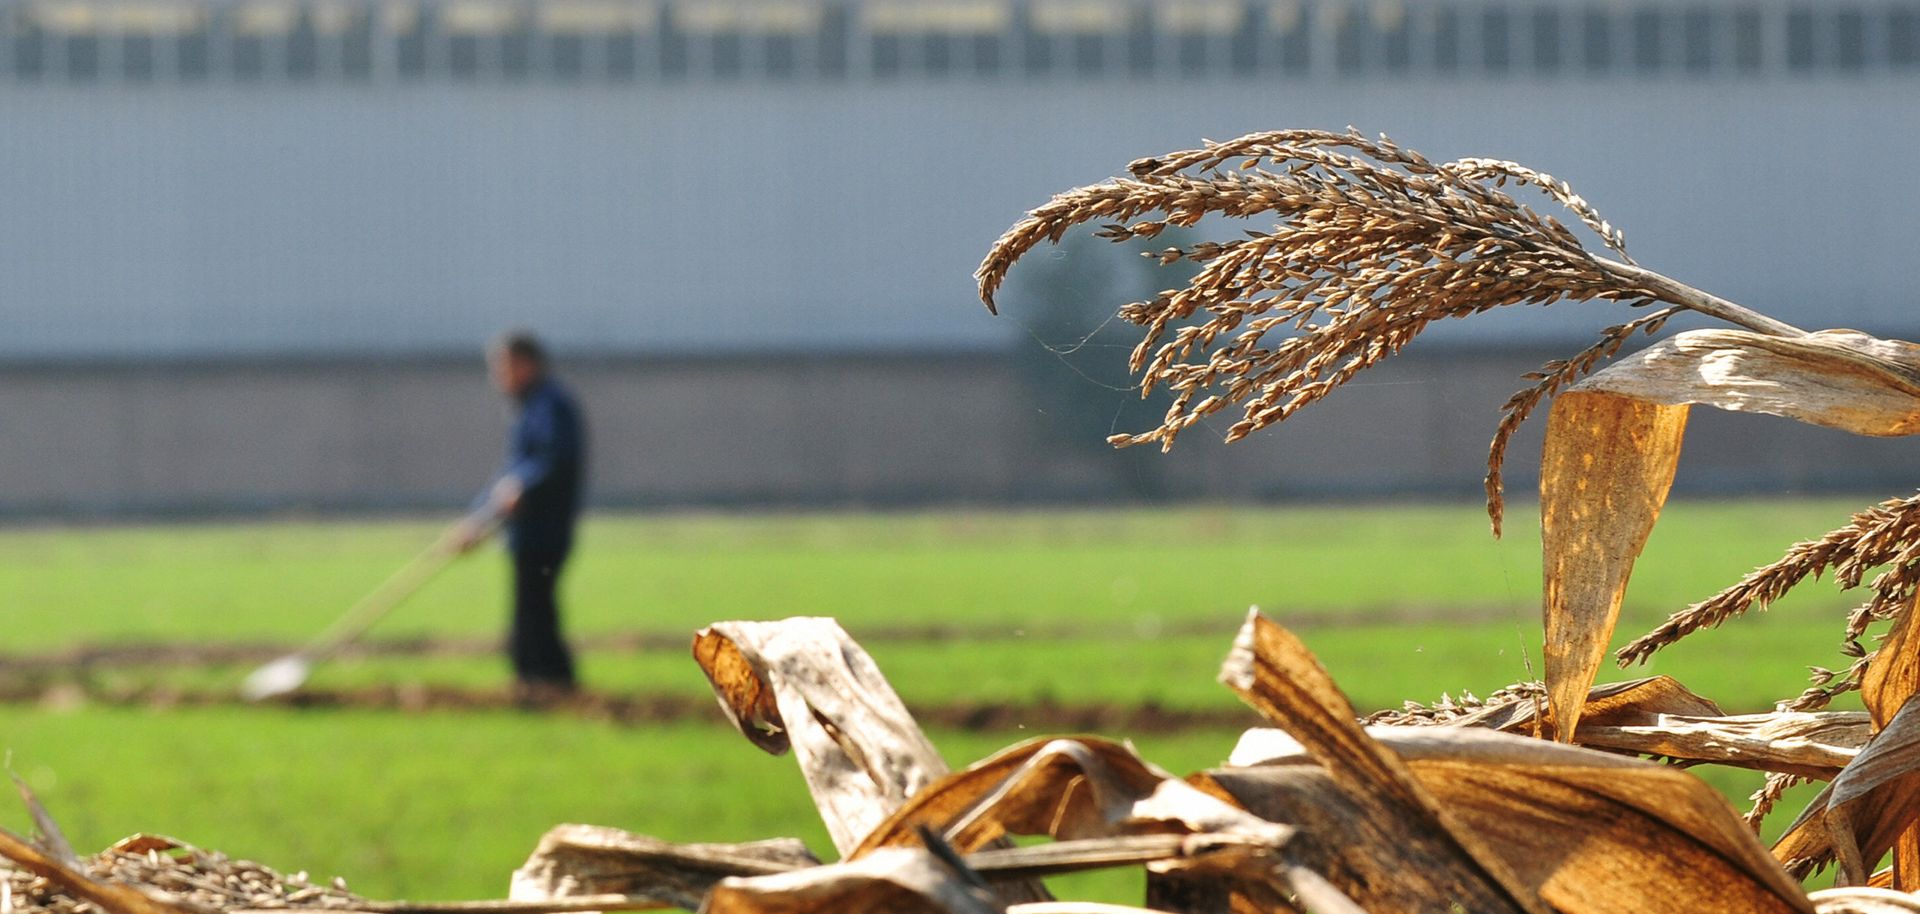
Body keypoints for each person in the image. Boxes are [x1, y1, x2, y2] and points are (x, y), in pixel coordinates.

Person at [459, 331, 587, 701]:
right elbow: (510, 474)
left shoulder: (551, 406)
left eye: (504, 367)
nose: (498, 376)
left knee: (535, 612)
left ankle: (547, 685)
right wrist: (476, 521)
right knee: (532, 612)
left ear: (526, 364)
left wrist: (524, 489)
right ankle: (542, 684)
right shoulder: (531, 407)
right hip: (527, 532)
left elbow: (552, 462)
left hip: (545, 530)